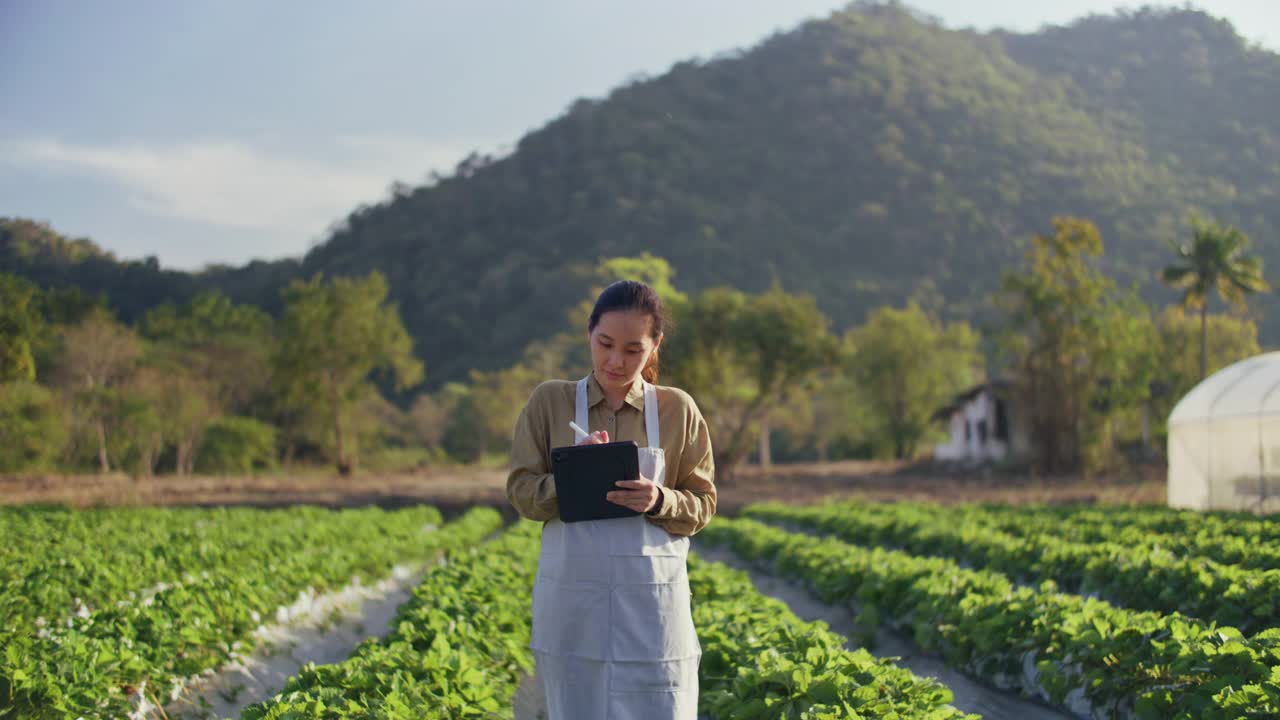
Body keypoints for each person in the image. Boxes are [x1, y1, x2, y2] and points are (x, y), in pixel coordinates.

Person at [506, 279, 717, 720]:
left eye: (632, 349)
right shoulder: (551, 402)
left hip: (652, 613)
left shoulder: (677, 409)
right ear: (589, 333)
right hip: (574, 610)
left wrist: (659, 500)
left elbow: (703, 504)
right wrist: (572, 479)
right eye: (605, 344)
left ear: (655, 345)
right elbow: (522, 493)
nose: (615, 361)